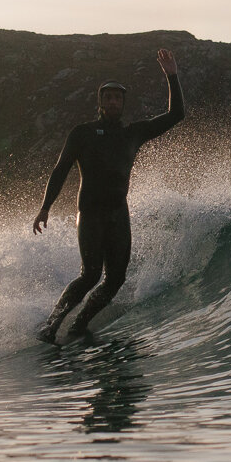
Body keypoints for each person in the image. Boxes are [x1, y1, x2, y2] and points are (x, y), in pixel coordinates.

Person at [32, 48, 184, 343]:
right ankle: (51, 325)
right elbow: (60, 169)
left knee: (115, 279)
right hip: (89, 213)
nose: (113, 101)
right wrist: (45, 207)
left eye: (118, 98)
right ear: (100, 102)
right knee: (90, 275)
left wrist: (172, 77)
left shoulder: (132, 133)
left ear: (123, 103)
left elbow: (176, 115)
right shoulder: (82, 133)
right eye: (107, 97)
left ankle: (79, 325)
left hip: (118, 214)